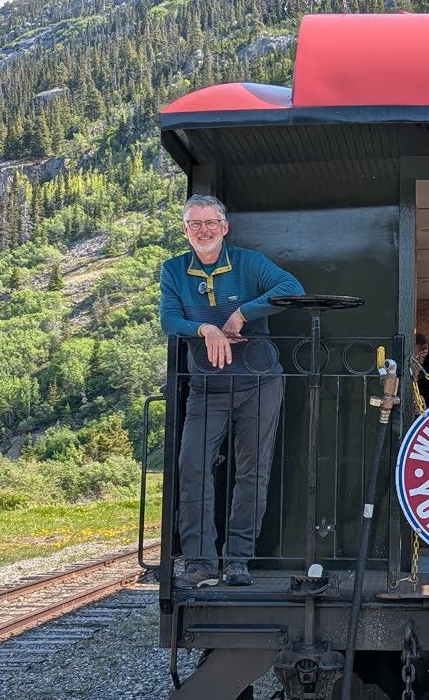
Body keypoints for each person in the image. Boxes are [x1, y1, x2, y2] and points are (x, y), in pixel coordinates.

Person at [159, 194, 304, 588]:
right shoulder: (173, 270)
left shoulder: (249, 264)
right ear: (185, 230)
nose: (203, 231)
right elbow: (169, 319)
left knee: (252, 473)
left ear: (224, 227)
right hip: (207, 387)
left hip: (260, 384)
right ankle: (199, 563)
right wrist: (204, 329)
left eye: (211, 223)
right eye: (195, 224)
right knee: (191, 467)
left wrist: (242, 314)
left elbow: (291, 287)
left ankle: (237, 560)